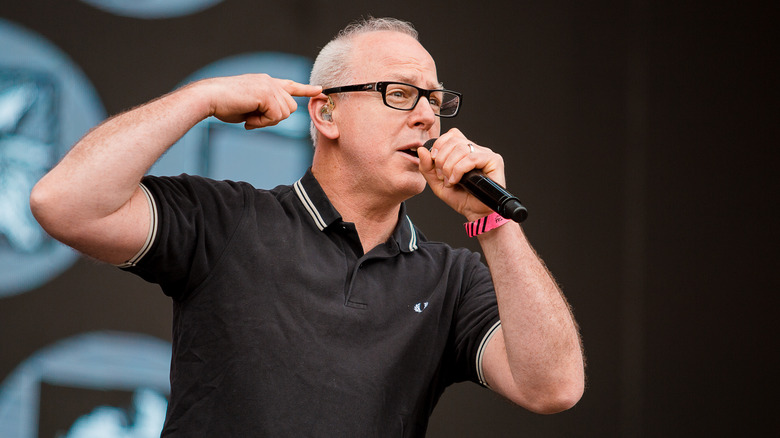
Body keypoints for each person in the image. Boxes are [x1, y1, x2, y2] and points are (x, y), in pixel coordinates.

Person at [30, 17, 584, 437]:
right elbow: (63, 204)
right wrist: (199, 99)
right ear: (326, 114)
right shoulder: (228, 221)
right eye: (399, 93)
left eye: (436, 101)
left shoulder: (450, 278)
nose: (425, 116)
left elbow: (554, 388)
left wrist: (493, 224)